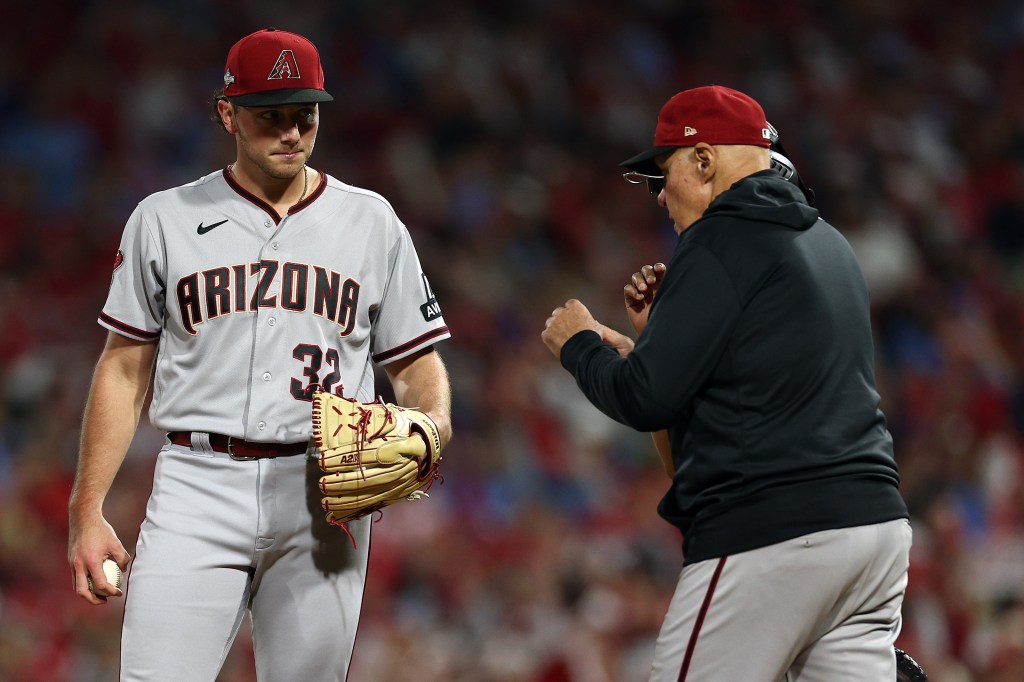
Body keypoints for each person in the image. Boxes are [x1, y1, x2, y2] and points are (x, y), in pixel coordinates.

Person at [67, 28, 452, 681]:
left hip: (322, 490)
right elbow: (123, 365)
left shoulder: (372, 222)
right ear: (227, 112)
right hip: (197, 483)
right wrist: (87, 509)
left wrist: (431, 428)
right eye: (270, 115)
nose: (292, 132)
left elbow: (417, 364)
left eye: (305, 115)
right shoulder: (164, 218)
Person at [541, 85, 911, 681]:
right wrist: (659, 343)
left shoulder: (720, 238)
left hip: (774, 536)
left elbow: (642, 396)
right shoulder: (831, 246)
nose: (660, 197)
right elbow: (695, 425)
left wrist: (579, 345)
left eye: (665, 174)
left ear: (705, 160)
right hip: (875, 535)